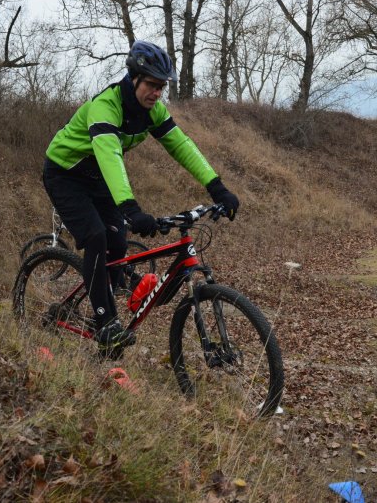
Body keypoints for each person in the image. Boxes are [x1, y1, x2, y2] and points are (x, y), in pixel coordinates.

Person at [42, 41, 240, 357]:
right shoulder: (106, 106)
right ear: (133, 78)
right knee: (96, 237)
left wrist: (217, 187)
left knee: (118, 243)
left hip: (98, 180)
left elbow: (182, 147)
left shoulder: (153, 112)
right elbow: (109, 155)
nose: (157, 92)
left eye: (162, 87)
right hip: (65, 174)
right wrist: (130, 208)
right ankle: (106, 322)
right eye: (151, 84)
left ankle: (101, 307)